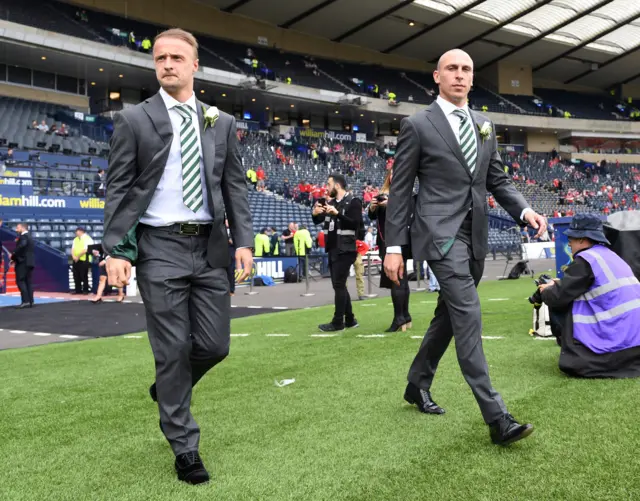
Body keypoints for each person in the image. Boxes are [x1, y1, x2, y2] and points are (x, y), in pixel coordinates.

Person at [103, 28, 253, 484]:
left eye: (176, 58)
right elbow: (118, 188)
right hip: (158, 247)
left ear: (194, 66)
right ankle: (185, 446)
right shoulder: (134, 119)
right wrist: (115, 249)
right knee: (171, 350)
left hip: (209, 247)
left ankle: (169, 386)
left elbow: (235, 186)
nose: (167, 64)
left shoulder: (220, 122)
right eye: (160, 58)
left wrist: (243, 240)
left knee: (213, 345)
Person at [384, 49, 546, 446]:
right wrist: (392, 246)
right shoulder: (417, 125)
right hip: (439, 236)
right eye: (452, 69)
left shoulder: (484, 124)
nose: (459, 75)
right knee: (469, 316)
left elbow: (497, 179)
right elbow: (401, 190)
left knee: (448, 316)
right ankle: (498, 418)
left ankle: (416, 384)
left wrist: (525, 211)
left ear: (473, 79)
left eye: (467, 70)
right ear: (437, 76)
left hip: (475, 235)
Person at [539, 214, 640, 378]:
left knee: (574, 364)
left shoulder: (585, 260)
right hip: (635, 340)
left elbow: (558, 297)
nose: (569, 242)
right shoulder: (610, 255)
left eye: (571, 238)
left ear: (582, 239)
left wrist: (545, 290)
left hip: (617, 341)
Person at [312, 173, 362, 332]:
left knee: (339, 284)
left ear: (337, 186)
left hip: (346, 249)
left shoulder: (353, 202)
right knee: (338, 285)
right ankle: (350, 319)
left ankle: (338, 322)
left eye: (329, 184)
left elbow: (357, 224)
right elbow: (318, 221)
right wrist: (315, 213)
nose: (326, 188)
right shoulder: (331, 202)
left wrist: (338, 213)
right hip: (333, 248)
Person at [369, 169, 412, 332]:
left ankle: (399, 318)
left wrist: (391, 204)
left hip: (399, 240)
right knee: (402, 279)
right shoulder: (383, 192)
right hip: (384, 239)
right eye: (391, 173)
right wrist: (373, 208)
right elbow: (373, 218)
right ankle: (405, 316)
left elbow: (408, 213)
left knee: (396, 278)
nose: (394, 176)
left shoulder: (405, 192)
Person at [11, 222, 35, 309]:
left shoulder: (24, 237)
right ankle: (30, 301)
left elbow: (22, 246)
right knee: (28, 281)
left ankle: (25, 301)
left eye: (18, 228)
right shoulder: (30, 236)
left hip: (22, 262)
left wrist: (13, 254)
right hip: (30, 262)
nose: (16, 230)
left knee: (20, 281)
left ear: (23, 228)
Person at [71, 227, 93, 295]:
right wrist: (74, 256)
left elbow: (85, 250)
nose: (76, 233)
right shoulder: (75, 239)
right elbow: (72, 249)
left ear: (81, 231)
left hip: (84, 260)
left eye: (77, 231)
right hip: (76, 260)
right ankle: (78, 290)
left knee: (84, 275)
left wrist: (78, 256)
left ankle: (85, 290)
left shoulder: (88, 239)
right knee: (76, 275)